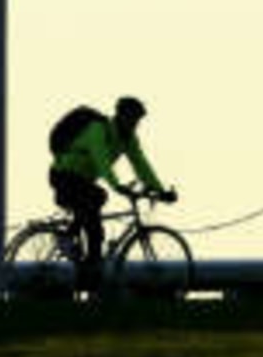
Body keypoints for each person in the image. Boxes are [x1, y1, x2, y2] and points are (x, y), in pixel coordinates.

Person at [48, 95, 175, 287]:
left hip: (82, 182)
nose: (135, 124)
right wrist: (116, 185)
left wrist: (160, 190)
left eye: (137, 121)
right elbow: (102, 161)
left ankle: (77, 248)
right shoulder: (98, 130)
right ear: (121, 116)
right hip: (64, 176)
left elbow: (141, 164)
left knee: (94, 205)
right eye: (132, 119)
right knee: (96, 209)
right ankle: (87, 263)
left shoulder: (129, 139)